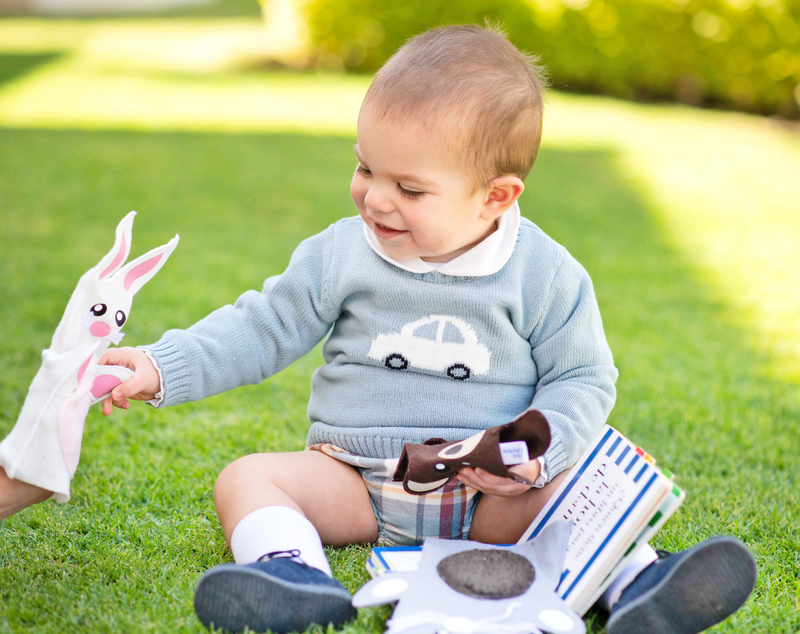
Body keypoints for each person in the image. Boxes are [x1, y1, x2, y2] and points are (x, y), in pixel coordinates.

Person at [0, 23, 756, 634]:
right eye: (366, 168)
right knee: (247, 478)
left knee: (580, 485)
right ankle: (290, 574)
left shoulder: (546, 274)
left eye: (410, 187)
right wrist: (164, 367)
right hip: (356, 480)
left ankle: (640, 583)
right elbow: (262, 326)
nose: (375, 199)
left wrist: (536, 447)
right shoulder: (341, 253)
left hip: (489, 490)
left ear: (496, 196)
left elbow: (583, 377)